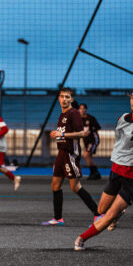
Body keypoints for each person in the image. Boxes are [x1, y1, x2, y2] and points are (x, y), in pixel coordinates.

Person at [74, 92, 133, 250]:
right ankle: (118, 213)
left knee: (109, 216)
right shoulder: (123, 118)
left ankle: (81, 239)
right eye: (132, 98)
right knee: (100, 210)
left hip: (130, 178)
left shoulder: (93, 120)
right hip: (116, 171)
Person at [42, 88, 100, 226]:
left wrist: (61, 135)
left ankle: (98, 214)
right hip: (61, 153)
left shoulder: (74, 113)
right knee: (55, 185)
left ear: (71, 99)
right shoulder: (62, 115)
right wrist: (58, 134)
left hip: (70, 153)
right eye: (62, 96)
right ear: (59, 98)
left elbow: (82, 133)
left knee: (75, 187)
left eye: (67, 97)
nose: (64, 99)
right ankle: (58, 218)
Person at [79, 103, 102, 180]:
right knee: (88, 157)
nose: (82, 110)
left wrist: (90, 130)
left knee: (86, 154)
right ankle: (95, 173)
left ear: (86, 109)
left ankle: (94, 172)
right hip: (86, 140)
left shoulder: (91, 118)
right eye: (80, 108)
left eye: (83, 108)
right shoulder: (79, 120)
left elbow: (98, 127)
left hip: (93, 139)